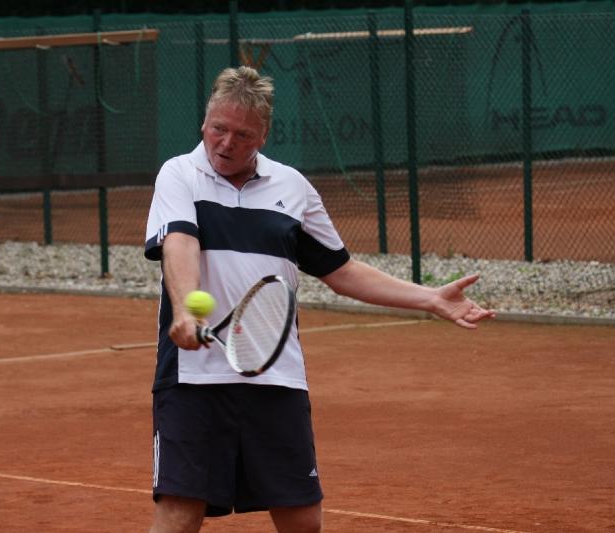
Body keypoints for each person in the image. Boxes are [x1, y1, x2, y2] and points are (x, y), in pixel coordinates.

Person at [144, 65, 495, 533]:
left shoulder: (292, 187)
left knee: (303, 520)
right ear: (204, 122)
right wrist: (187, 308)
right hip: (194, 379)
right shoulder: (179, 173)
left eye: (242, 135)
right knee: (180, 514)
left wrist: (430, 298)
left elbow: (341, 270)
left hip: (276, 376)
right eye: (218, 129)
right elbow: (180, 243)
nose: (226, 144)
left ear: (263, 136)